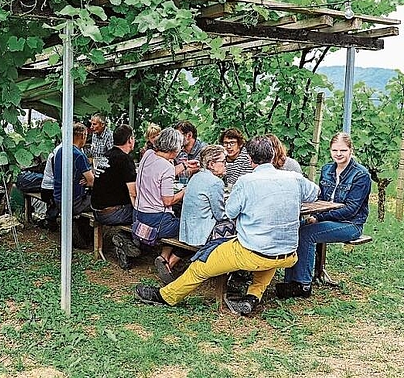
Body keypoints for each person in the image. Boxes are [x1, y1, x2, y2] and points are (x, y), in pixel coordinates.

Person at [135, 135, 320, 316]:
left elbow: (230, 213)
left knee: (201, 265)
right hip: (288, 253)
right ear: (273, 155)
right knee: (269, 250)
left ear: (249, 158)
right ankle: (252, 297)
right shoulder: (294, 178)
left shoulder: (246, 182)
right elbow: (315, 193)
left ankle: (166, 296)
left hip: (252, 253)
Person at [277, 132, 371, 299]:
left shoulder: (361, 175)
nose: (339, 154)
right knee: (296, 228)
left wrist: (319, 218)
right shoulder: (327, 169)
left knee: (307, 234)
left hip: (350, 224)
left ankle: (302, 285)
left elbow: (351, 209)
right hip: (326, 217)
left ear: (351, 150)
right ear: (330, 150)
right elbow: (320, 199)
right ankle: (290, 280)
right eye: (335, 150)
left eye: (343, 150)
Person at [134, 127, 187, 283]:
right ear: (175, 149)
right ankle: (170, 261)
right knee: (189, 227)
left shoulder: (148, 155)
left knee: (175, 216)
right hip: (156, 223)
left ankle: (163, 258)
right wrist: (185, 190)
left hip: (138, 215)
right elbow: (168, 201)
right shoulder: (167, 167)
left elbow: (161, 173)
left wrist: (184, 166)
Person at [90, 124, 140, 268]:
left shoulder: (106, 156)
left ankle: (126, 242)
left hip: (97, 210)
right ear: (130, 140)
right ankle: (128, 242)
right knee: (148, 214)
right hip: (113, 213)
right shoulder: (125, 160)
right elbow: (133, 193)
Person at [179, 145, 235, 253]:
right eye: (223, 161)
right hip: (202, 235)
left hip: (188, 233)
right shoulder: (215, 182)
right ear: (211, 164)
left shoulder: (196, 176)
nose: (226, 164)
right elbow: (220, 215)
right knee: (235, 224)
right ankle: (227, 266)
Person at [53, 122, 95, 218]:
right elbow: (92, 182)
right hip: (73, 203)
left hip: (58, 198)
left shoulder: (60, 150)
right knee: (101, 199)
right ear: (82, 136)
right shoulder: (79, 155)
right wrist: (88, 179)